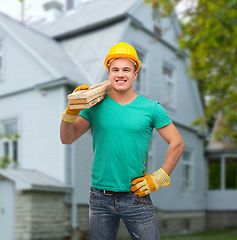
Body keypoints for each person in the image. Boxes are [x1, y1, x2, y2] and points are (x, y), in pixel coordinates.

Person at [60, 42, 185, 240]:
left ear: (135, 74)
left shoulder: (151, 108)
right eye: (115, 69)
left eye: (126, 69)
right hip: (99, 198)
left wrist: (159, 178)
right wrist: (70, 113)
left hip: (137, 195)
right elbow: (67, 138)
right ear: (108, 73)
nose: (120, 74)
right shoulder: (94, 106)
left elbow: (177, 143)